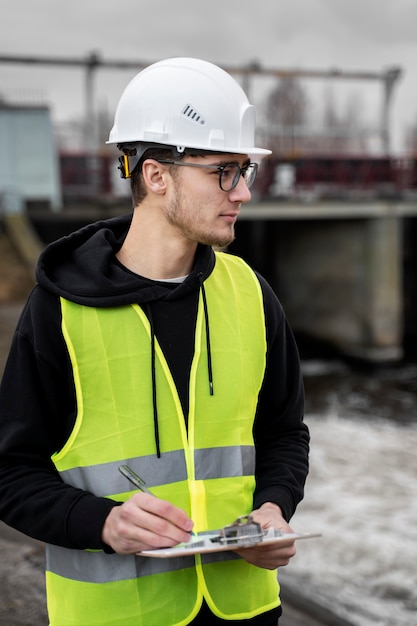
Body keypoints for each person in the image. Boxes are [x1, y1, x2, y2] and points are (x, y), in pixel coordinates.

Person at [0, 57, 309, 625]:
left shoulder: (250, 293)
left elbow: (284, 433)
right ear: (156, 175)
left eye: (245, 171)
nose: (241, 193)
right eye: (223, 171)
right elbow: (11, 472)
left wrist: (273, 507)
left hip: (245, 610)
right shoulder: (58, 310)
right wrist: (99, 522)